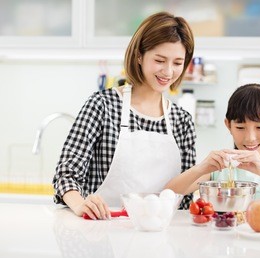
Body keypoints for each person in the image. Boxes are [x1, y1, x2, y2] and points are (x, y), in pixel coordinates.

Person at [53, 11, 198, 220]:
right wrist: (81, 204)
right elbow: (65, 174)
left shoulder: (182, 121)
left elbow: (182, 200)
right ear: (139, 55)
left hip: (160, 241)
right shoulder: (102, 105)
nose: (168, 71)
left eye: (177, 63)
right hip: (102, 234)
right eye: (160, 60)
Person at [165, 83, 260, 206]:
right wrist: (201, 168)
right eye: (240, 127)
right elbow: (167, 194)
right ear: (228, 125)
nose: (250, 138)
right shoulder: (221, 166)